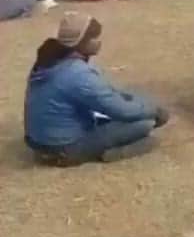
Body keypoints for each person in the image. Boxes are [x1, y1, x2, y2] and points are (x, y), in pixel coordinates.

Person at [24, 12, 168, 165]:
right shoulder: (77, 73)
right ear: (81, 41)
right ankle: (107, 153)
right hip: (64, 148)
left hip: (39, 143)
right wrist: (154, 111)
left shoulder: (49, 61)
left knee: (130, 101)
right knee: (145, 123)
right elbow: (122, 111)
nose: (98, 42)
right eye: (94, 37)